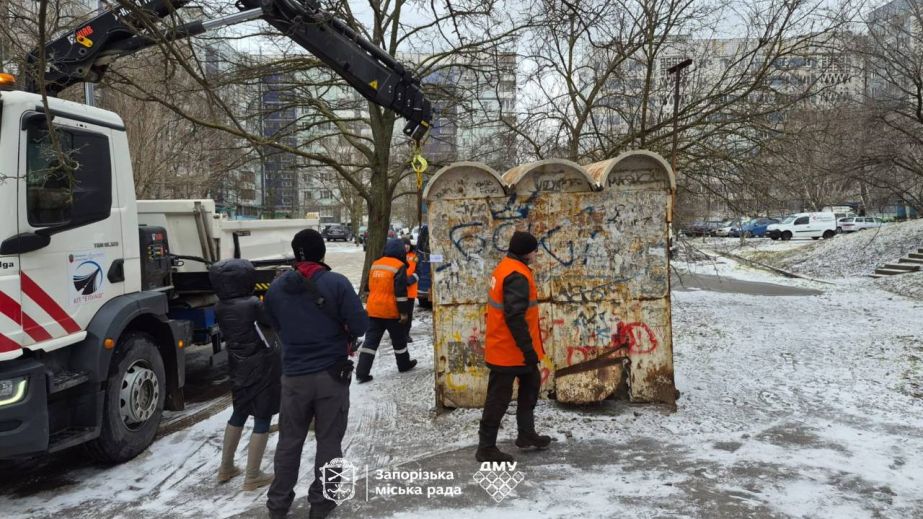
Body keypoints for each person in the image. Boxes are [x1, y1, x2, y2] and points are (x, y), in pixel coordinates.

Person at [264, 229, 368, 519]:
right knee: (329, 441)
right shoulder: (336, 283)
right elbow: (360, 326)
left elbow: (272, 324)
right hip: (331, 376)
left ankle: (278, 504)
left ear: (295, 255)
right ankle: (322, 504)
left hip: (294, 376)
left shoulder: (275, 289)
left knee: (289, 441)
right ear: (322, 253)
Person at [476, 231, 552, 463]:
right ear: (525, 252)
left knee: (531, 386)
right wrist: (528, 350)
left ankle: (526, 434)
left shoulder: (506, 267)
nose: (536, 253)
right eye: (533, 250)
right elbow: (514, 317)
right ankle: (486, 447)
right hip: (510, 351)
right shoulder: (516, 275)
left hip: (512, 349)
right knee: (498, 398)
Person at [210, 259, 281, 491]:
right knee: (262, 417)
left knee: (239, 412)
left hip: (237, 366)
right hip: (261, 366)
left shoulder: (219, 306)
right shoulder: (252, 304)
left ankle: (226, 467)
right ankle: (252, 476)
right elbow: (273, 322)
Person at [356, 238, 418, 383]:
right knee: (399, 340)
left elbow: (367, 287)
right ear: (401, 252)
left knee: (370, 342)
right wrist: (403, 313)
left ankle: (361, 372)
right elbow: (401, 292)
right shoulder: (399, 266)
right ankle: (403, 364)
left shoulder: (375, 264)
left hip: (374, 310)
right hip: (391, 311)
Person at [402, 237, 420, 343]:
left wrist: (410, 280)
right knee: (399, 315)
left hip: (411, 291)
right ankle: (398, 334)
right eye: (404, 245)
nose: (406, 246)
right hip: (399, 291)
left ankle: (406, 334)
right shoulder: (398, 256)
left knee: (408, 314)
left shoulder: (414, 257)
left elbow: (419, 270)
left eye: (408, 244)